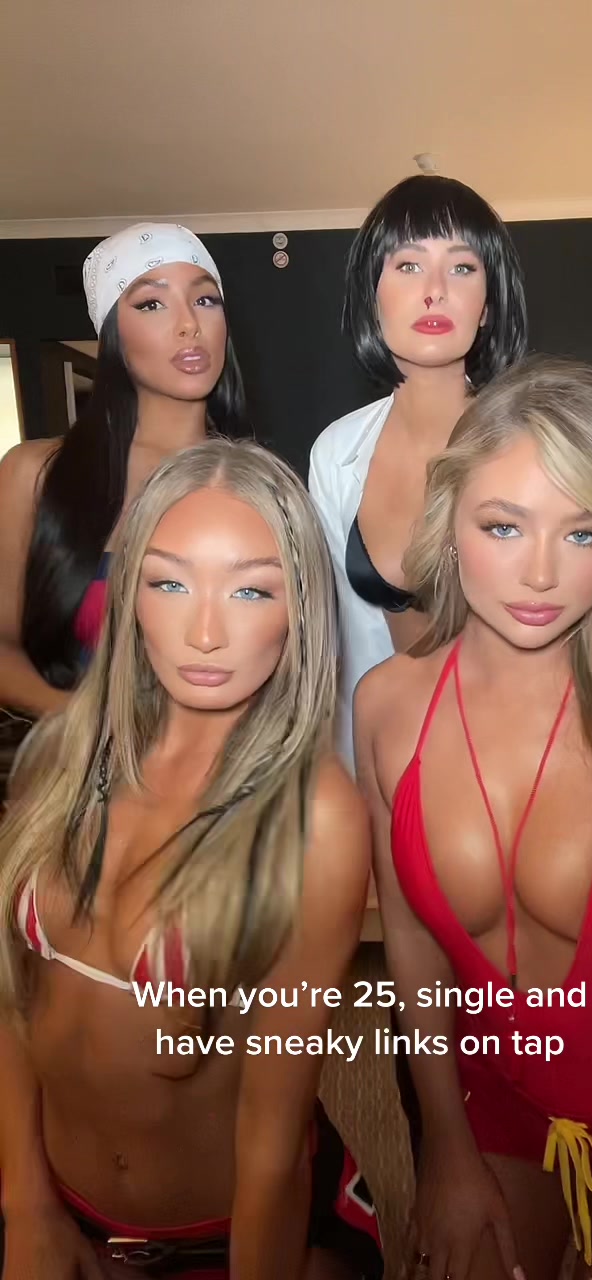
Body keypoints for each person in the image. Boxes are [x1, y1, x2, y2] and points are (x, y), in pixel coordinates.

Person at [354, 356, 592, 1280]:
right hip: (497, 1112)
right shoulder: (386, 706)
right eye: (504, 525)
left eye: (584, 531)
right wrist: (444, 1142)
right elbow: (412, 942)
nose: (543, 573)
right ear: (449, 521)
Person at [0, 438, 383, 1280]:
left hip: (222, 1240)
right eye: (170, 583)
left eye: (251, 589)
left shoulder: (313, 818)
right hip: (53, 1210)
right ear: (127, 593)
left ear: (298, 609)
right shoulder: (57, 761)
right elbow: (16, 1003)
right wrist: (26, 1209)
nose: (205, 632)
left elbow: (273, 1139)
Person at [0, 222, 250, 799]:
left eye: (205, 299)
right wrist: (83, 722)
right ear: (112, 331)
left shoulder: (254, 489)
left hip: (221, 793)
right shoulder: (35, 474)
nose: (188, 324)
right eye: (152, 303)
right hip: (75, 791)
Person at [309, 173, 528, 773]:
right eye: (408, 265)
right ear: (372, 294)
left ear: (488, 304)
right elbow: (328, 638)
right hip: (371, 769)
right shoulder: (335, 453)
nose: (435, 291)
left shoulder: (531, 447)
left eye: (462, 267)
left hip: (500, 774)